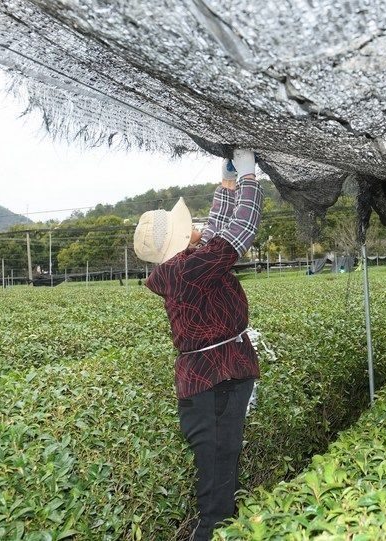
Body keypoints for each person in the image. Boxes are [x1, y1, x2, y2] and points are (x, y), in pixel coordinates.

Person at [134, 149, 263, 541]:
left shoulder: (183, 264)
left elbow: (217, 231)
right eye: (185, 225)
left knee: (220, 473)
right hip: (215, 384)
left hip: (210, 383)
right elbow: (239, 232)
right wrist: (249, 178)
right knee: (218, 487)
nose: (196, 227)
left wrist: (226, 184)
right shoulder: (190, 268)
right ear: (176, 240)